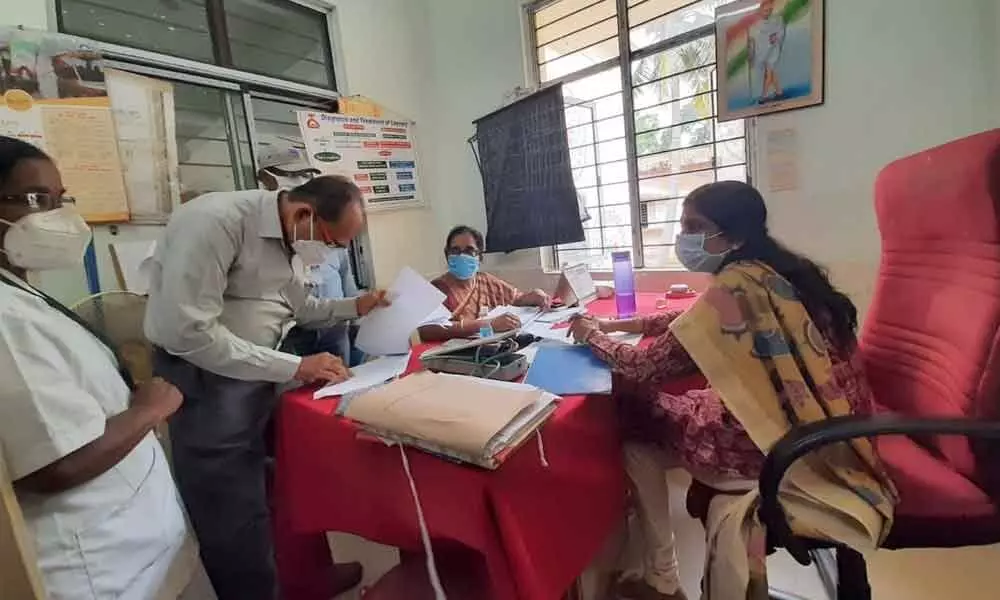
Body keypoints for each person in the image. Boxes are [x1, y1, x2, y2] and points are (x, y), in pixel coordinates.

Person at [568, 182, 894, 600]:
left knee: (633, 416)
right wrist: (626, 325)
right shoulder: (777, 270)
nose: (684, 237)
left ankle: (661, 579)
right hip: (831, 428)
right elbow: (695, 318)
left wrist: (591, 334)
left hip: (778, 446)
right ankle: (661, 574)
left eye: (696, 226)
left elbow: (646, 366)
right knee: (677, 405)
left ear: (735, 235)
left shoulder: (739, 284)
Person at [145, 175, 388, 600]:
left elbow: (301, 308)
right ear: (304, 214)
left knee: (286, 483)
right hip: (209, 380)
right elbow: (189, 333)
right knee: (233, 512)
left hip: (261, 372)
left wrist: (356, 305)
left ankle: (305, 578)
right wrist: (297, 365)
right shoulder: (215, 223)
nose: (331, 254)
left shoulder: (292, 237)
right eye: (331, 242)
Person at [0, 136, 199, 599]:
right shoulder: (6, 318)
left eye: (60, 199)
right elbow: (54, 465)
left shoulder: (21, 295)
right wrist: (149, 409)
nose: (60, 217)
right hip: (96, 568)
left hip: (130, 546)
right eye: (37, 200)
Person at [255, 136, 359, 364]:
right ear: (265, 179)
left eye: (303, 174)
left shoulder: (326, 226)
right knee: (300, 396)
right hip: (293, 335)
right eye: (290, 175)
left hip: (335, 330)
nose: (300, 181)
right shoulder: (262, 233)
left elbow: (346, 281)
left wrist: (361, 311)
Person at [418, 225, 551, 341]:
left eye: (469, 251)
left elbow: (517, 298)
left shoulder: (486, 280)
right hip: (455, 355)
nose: (462, 256)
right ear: (447, 255)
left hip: (490, 346)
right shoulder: (437, 288)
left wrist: (535, 295)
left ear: (480, 257)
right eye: (455, 250)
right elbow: (427, 330)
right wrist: (488, 324)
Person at [749, 0, 786, 102]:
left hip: (773, 50)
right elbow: (756, 38)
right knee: (771, 72)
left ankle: (764, 96)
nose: (768, 12)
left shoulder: (776, 20)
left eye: (770, 10)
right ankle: (779, 92)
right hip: (765, 51)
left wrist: (775, 37)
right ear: (761, 10)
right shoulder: (759, 23)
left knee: (769, 72)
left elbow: (779, 32)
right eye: (766, 10)